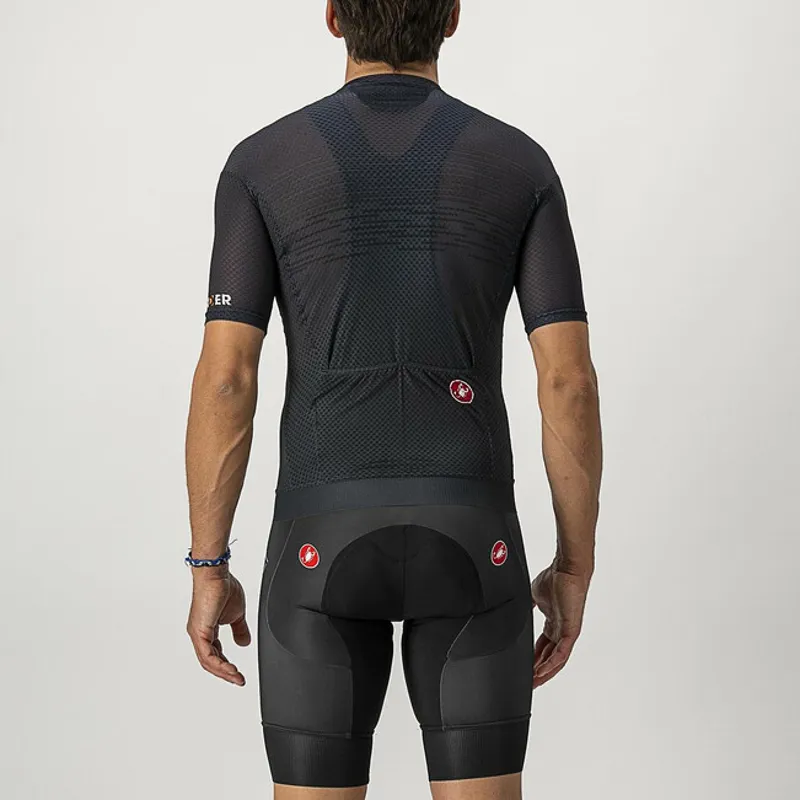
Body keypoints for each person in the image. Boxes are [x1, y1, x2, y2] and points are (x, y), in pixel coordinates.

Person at [185, 2, 602, 798]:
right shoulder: (519, 164)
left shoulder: (262, 163)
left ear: (333, 17)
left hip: (319, 529)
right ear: (452, 18)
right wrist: (574, 566)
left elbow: (227, 377)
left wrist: (210, 565)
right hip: (473, 530)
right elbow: (568, 383)